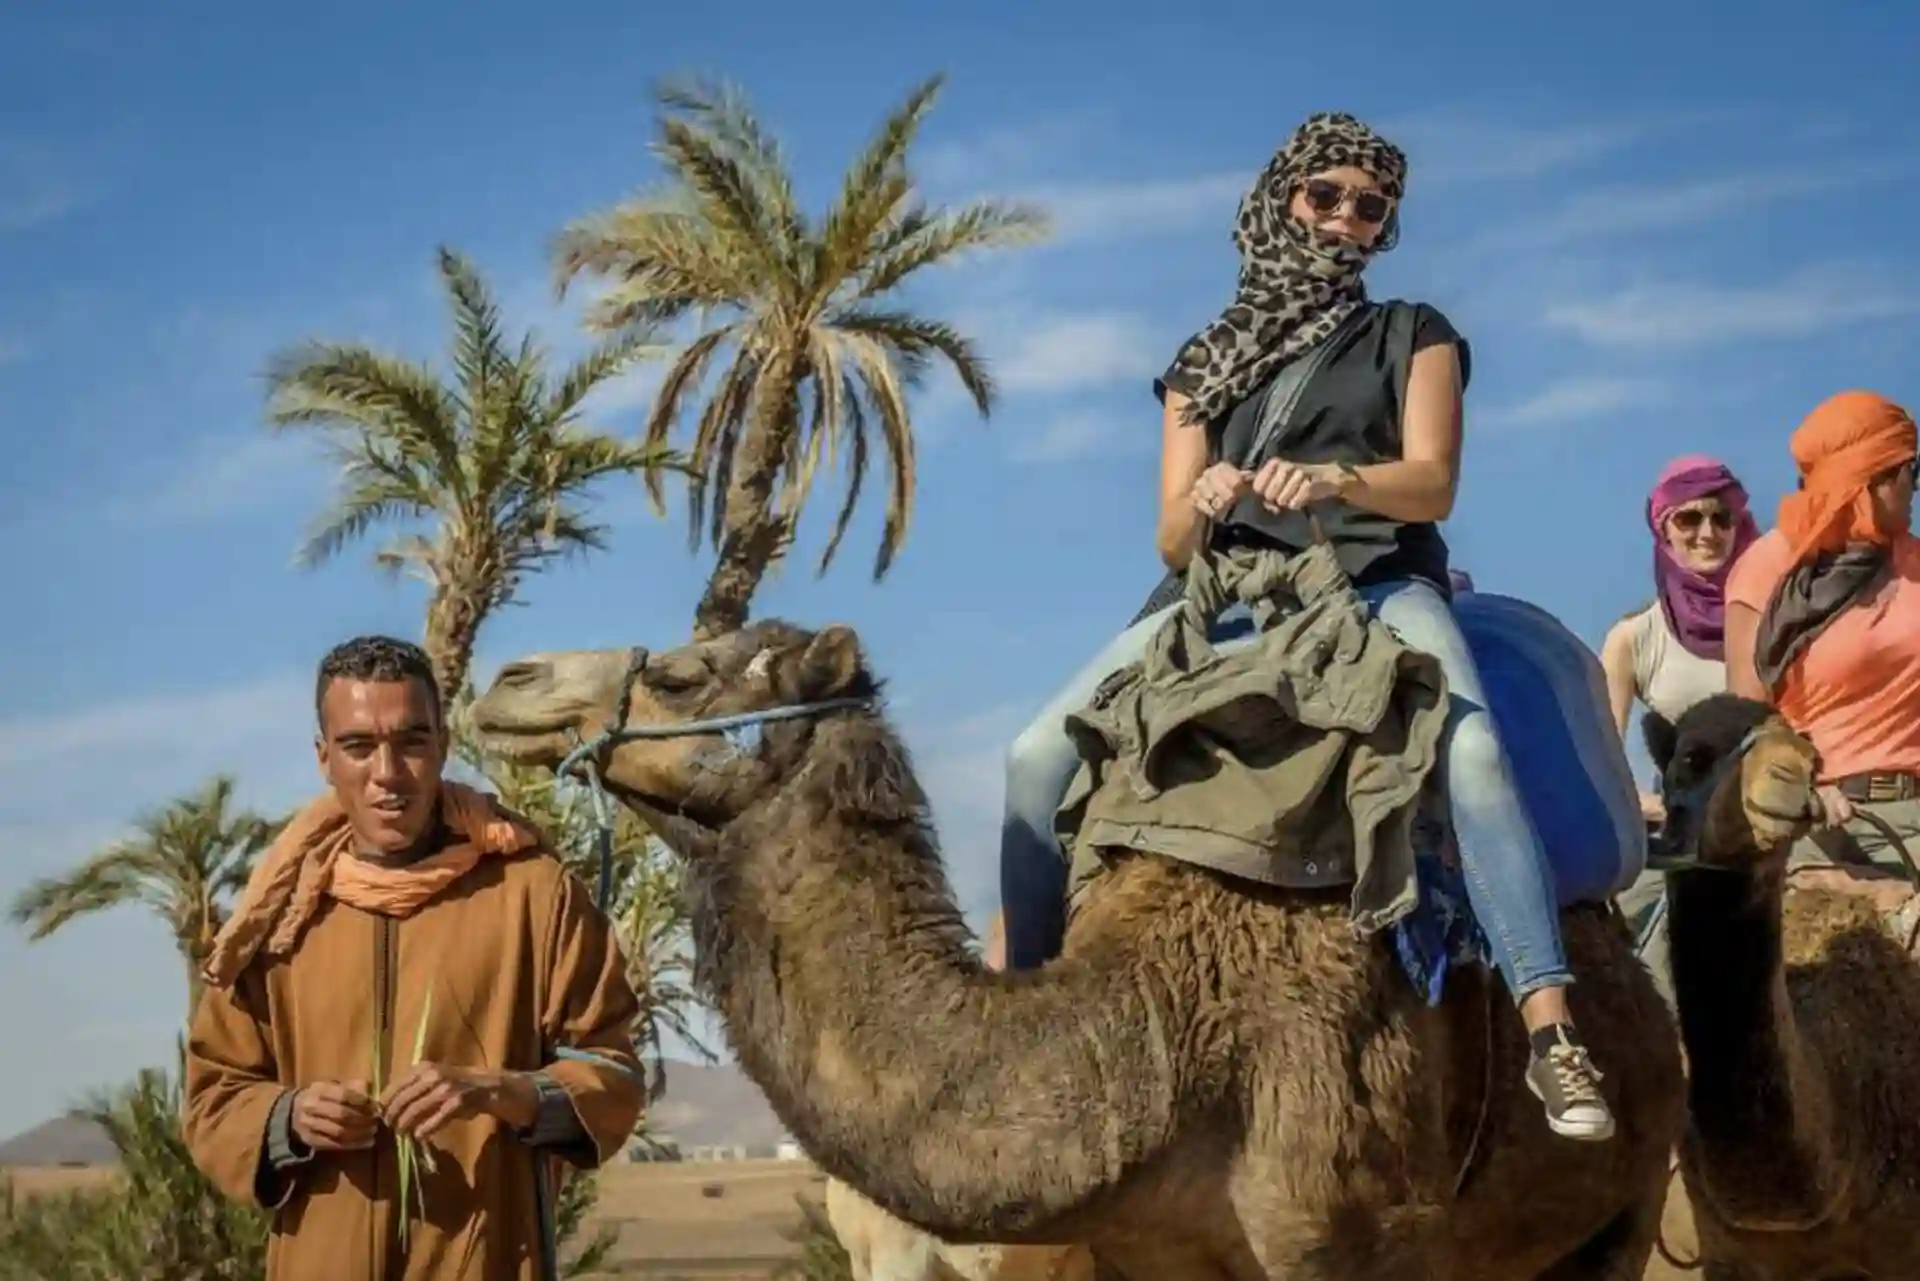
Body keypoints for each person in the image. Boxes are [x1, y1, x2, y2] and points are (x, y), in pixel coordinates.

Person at [997, 111, 1614, 1141]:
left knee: (1472, 755)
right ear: (1282, 196)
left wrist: (1333, 482)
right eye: (1325, 195)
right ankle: (1024, 1024)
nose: (1346, 218)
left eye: (1371, 208)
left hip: (1372, 583)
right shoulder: (1202, 364)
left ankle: (1551, 1028)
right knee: (1028, 760)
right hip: (1227, 597)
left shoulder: (1414, 334)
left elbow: (1433, 484)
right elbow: (1167, 542)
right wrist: (1208, 501)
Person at [181, 635, 645, 1281]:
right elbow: (213, 1099)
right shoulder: (277, 916)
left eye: (412, 741)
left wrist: (500, 1089)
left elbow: (613, 1074)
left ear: (443, 748)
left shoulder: (533, 893)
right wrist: (289, 1115)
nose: (388, 773)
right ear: (324, 757)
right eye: (359, 745)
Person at [1722, 390, 1920, 900]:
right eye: (1910, 472)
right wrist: (1805, 790)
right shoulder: (1769, 568)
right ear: (1869, 482)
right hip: (1818, 816)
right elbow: (1747, 719)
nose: (1915, 488)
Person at [1600, 455, 1758, 823]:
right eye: (1689, 518)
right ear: (1663, 528)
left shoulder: (1774, 619)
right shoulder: (1635, 638)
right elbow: (1602, 760)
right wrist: (1661, 809)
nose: (1708, 533)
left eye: (1722, 517)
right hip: (1689, 840)